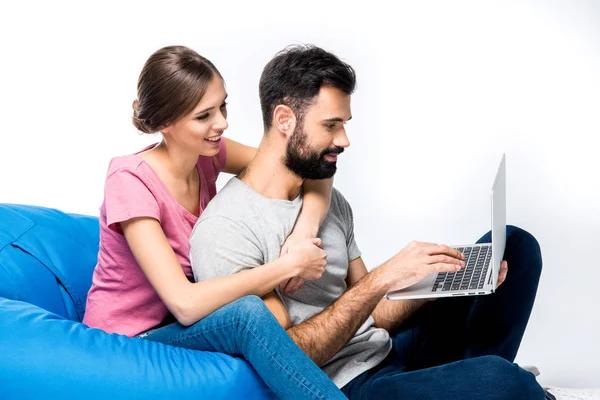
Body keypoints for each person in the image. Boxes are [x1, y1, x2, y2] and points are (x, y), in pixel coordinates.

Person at [189, 44, 567, 399]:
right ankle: (498, 382)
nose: (344, 140)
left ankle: (482, 378)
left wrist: (433, 277)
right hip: (350, 384)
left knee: (515, 246)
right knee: (501, 381)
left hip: (387, 349)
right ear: (284, 119)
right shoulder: (226, 230)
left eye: (345, 124)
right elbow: (288, 357)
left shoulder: (324, 198)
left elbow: (378, 316)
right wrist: (380, 279)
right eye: (331, 125)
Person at [82, 45, 347, 399]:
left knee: (268, 315)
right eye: (204, 115)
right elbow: (184, 303)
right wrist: (288, 266)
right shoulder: (130, 180)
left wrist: (304, 231)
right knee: (248, 316)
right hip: (129, 339)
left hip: (181, 325)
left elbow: (307, 164)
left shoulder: (207, 154)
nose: (222, 123)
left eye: (222, 106)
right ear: (165, 122)